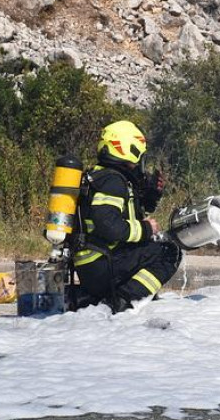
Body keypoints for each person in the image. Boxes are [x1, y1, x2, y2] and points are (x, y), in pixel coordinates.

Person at [71, 120, 181, 313]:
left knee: (149, 247)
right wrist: (146, 229)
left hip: (92, 266)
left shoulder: (101, 177)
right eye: (139, 155)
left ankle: (111, 295)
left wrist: (151, 194)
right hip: (102, 265)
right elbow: (108, 225)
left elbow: (124, 215)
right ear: (127, 150)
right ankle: (122, 301)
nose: (140, 162)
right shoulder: (113, 182)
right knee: (169, 252)